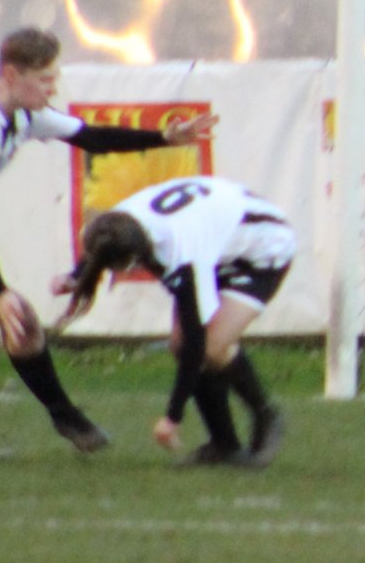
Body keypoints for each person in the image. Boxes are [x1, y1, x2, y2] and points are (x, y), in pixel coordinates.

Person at [0, 27, 216, 461]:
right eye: (44, 78)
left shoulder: (22, 113)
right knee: (19, 319)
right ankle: (66, 416)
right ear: (10, 75)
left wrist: (165, 138)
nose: (53, 86)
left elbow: (90, 136)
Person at [49, 175, 293, 468]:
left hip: (263, 249)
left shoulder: (184, 251)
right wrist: (76, 277)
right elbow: (102, 247)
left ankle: (266, 414)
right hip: (222, 237)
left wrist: (172, 417)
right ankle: (224, 445)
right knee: (181, 345)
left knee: (210, 348)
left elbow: (195, 341)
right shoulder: (121, 223)